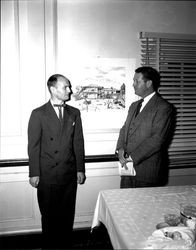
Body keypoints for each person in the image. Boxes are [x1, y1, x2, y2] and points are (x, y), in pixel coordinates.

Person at [28, 74, 86, 249]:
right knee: (49, 217)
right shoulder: (38, 114)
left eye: (69, 87)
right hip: (47, 175)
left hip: (68, 174)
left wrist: (80, 169)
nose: (70, 90)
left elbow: (78, 142)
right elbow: (34, 146)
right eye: (65, 87)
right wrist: (34, 173)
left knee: (67, 216)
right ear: (53, 89)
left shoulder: (74, 113)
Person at [116, 66, 175, 188]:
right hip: (127, 170)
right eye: (133, 81)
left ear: (148, 83)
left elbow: (157, 140)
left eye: (137, 81)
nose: (133, 84)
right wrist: (120, 149)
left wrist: (130, 157)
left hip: (148, 173)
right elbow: (124, 129)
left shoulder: (163, 107)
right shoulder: (134, 106)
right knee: (125, 206)